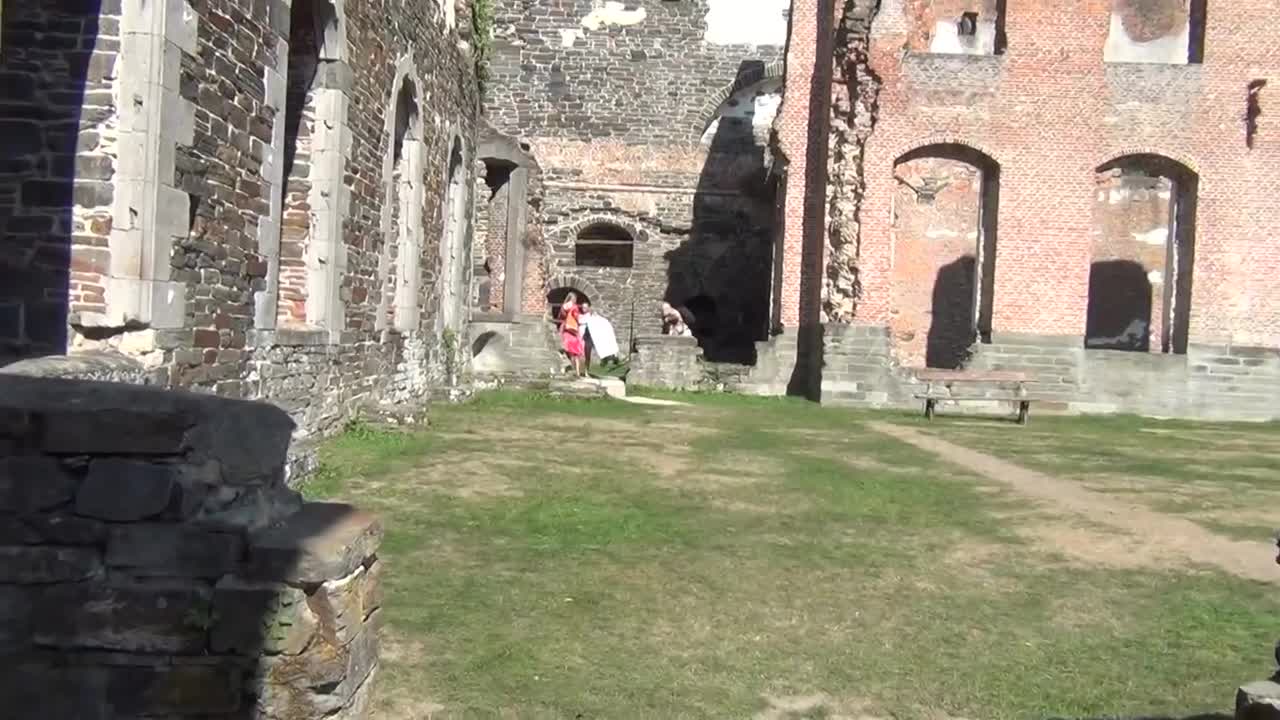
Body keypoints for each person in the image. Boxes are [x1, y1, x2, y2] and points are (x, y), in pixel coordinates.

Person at [580, 302, 620, 367]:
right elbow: (581, 322)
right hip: (586, 338)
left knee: (603, 347)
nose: (583, 309)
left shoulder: (594, 316)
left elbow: (601, 323)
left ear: (588, 308)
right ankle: (585, 369)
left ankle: (610, 358)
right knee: (586, 354)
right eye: (582, 307)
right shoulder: (583, 317)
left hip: (593, 338)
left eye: (585, 307)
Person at [557, 292, 585, 377]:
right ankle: (576, 371)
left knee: (566, 349)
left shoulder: (564, 307)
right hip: (573, 329)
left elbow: (561, 316)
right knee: (575, 352)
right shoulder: (574, 307)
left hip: (565, 328)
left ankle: (567, 369)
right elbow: (576, 317)